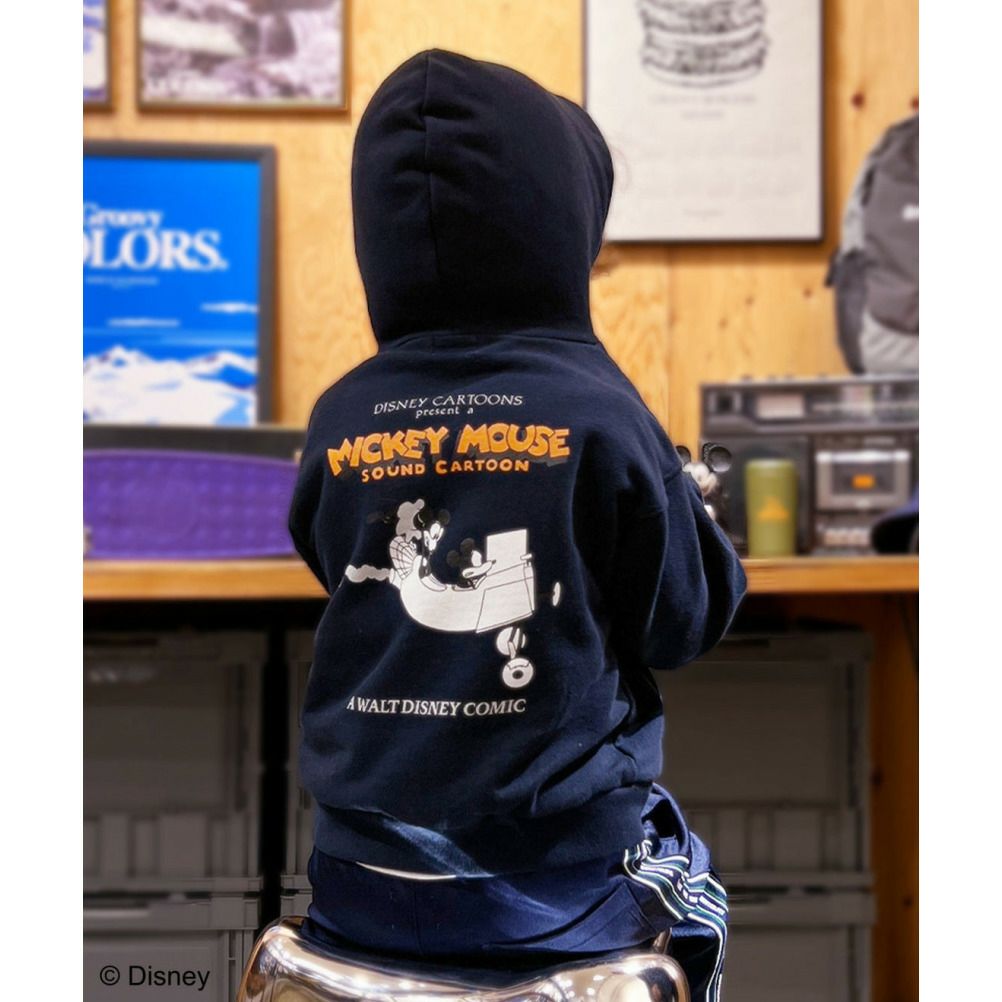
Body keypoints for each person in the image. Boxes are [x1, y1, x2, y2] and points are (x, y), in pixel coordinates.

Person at [288, 49, 746, 1001]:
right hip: (552, 889)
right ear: (563, 225)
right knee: (700, 899)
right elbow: (685, 621)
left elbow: (328, 557)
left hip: (356, 882)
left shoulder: (340, 416)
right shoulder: (599, 409)